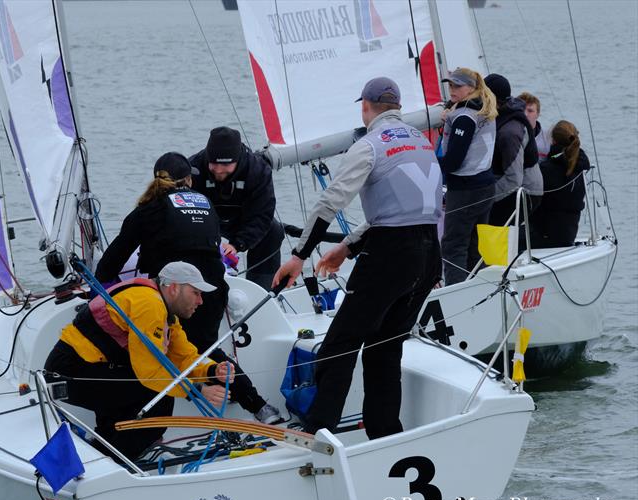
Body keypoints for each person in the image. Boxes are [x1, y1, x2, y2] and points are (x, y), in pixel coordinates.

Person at [272, 77, 442, 440]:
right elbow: (406, 209)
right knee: (385, 345)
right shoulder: (422, 142)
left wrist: (299, 255)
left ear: (365, 107)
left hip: (391, 256)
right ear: (397, 107)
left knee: (340, 343)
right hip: (429, 255)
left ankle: (319, 430)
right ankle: (384, 431)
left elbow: (330, 202)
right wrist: (348, 247)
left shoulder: (369, 146)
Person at [95, 152, 281, 425]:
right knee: (203, 347)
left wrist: (101, 293)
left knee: (166, 348)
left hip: (175, 291)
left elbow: (109, 265)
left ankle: (138, 419)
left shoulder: (147, 210)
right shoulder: (206, 205)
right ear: (189, 181)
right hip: (213, 287)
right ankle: (260, 407)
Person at [45, 261, 234, 460]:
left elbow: (184, 356)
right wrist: (198, 391)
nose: (200, 301)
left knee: (139, 391)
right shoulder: (149, 304)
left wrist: (212, 370)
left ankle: (105, 451)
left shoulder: (166, 314)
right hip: (68, 373)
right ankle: (113, 461)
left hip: (88, 369)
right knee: (158, 398)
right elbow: (150, 373)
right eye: (195, 293)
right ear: (174, 288)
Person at [190, 126, 284, 291]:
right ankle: (197, 286)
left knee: (273, 232)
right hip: (203, 218)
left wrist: (236, 245)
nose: (218, 170)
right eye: (213, 164)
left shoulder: (258, 170)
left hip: (243, 217)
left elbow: (262, 215)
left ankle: (261, 291)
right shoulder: (193, 168)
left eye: (225, 165)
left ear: (237, 159)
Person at [438, 68, 498, 285]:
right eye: (450, 85)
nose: (452, 89)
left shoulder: (464, 117)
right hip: (485, 185)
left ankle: (457, 294)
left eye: (457, 86)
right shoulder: (483, 108)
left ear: (471, 88)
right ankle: (480, 290)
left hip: (465, 189)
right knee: (475, 244)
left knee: (453, 245)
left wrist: (429, 164)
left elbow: (454, 161)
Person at [485, 73, 543, 226]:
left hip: (526, 192)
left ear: (492, 99)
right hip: (512, 185)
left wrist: (484, 198)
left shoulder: (509, 132)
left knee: (483, 221)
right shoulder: (503, 115)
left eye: (482, 96)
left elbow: (514, 179)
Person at [530, 120, 590, 248]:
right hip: (569, 234)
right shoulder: (580, 167)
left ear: (553, 141)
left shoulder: (546, 170)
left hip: (545, 236)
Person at [518, 92, 551, 161]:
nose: (525, 114)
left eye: (530, 111)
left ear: (538, 114)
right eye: (521, 109)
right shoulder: (507, 133)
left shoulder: (548, 138)